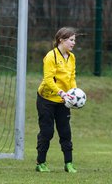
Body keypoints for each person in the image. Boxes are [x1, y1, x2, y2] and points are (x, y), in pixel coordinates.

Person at [35, 27, 79, 173]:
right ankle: (40, 163)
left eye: (74, 40)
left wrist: (73, 93)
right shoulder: (51, 56)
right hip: (46, 99)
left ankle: (69, 163)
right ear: (61, 40)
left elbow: (71, 77)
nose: (74, 43)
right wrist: (61, 92)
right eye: (71, 40)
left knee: (65, 132)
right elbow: (48, 79)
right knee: (47, 132)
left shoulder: (71, 57)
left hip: (63, 101)